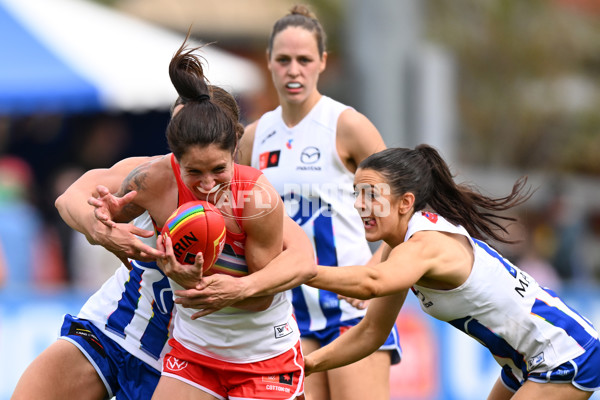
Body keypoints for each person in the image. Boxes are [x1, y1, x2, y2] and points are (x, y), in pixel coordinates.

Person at [12, 44, 316, 400]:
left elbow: (300, 258)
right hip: (120, 325)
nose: (181, 142)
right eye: (178, 133)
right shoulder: (155, 176)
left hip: (197, 348)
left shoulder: (254, 196)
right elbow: (71, 198)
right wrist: (102, 231)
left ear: (230, 138)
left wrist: (217, 283)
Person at [303, 145, 600, 400]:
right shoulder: (402, 245)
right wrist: (308, 363)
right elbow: (371, 332)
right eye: (357, 194)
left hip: (564, 352)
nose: (358, 205)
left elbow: (372, 282)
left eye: (370, 195)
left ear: (405, 202)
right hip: (523, 361)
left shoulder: (425, 245)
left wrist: (300, 272)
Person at [238, 5, 401, 400]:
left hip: (351, 308)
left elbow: (405, 210)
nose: (294, 70)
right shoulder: (253, 137)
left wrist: (373, 269)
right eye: (284, 60)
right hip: (286, 313)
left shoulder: (347, 125)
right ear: (269, 63)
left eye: (304, 60)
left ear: (322, 62)